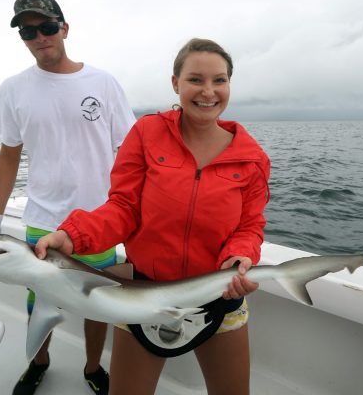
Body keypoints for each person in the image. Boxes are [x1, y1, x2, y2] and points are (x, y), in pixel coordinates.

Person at [35, 38, 271, 395]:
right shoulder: (147, 133)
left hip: (218, 295)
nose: (208, 91)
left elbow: (250, 225)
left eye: (219, 80)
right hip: (143, 293)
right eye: (196, 79)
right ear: (175, 83)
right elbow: (123, 208)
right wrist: (72, 236)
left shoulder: (252, 157)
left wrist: (240, 256)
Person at [0, 0, 136, 395]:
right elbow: (8, 157)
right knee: (38, 297)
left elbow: (130, 154)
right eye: (28, 32)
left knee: (97, 299)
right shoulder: (12, 90)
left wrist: (136, 217)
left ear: (64, 28)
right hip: (43, 219)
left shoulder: (102, 82)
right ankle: (39, 362)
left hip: (99, 220)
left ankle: (92, 367)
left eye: (47, 27)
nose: (39, 37)